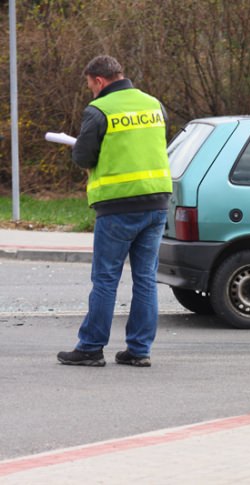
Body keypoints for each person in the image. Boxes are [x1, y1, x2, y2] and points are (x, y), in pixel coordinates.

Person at [57, 55, 172, 367]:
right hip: (157, 202)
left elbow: (82, 157)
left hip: (118, 206)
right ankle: (139, 350)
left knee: (106, 278)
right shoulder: (153, 104)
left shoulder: (100, 110)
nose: (90, 91)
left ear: (99, 81)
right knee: (146, 278)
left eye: (90, 85)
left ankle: (91, 348)